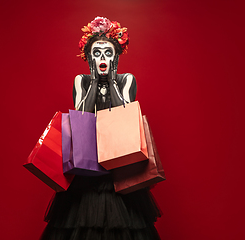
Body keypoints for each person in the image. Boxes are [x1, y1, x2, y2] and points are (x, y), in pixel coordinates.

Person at [40, 16, 162, 240]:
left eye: (108, 53)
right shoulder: (82, 81)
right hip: (88, 165)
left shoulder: (127, 80)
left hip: (118, 164)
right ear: (89, 59)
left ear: (116, 57)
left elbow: (122, 115)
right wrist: (95, 81)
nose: (102, 58)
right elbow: (82, 118)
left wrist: (112, 79)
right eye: (96, 54)